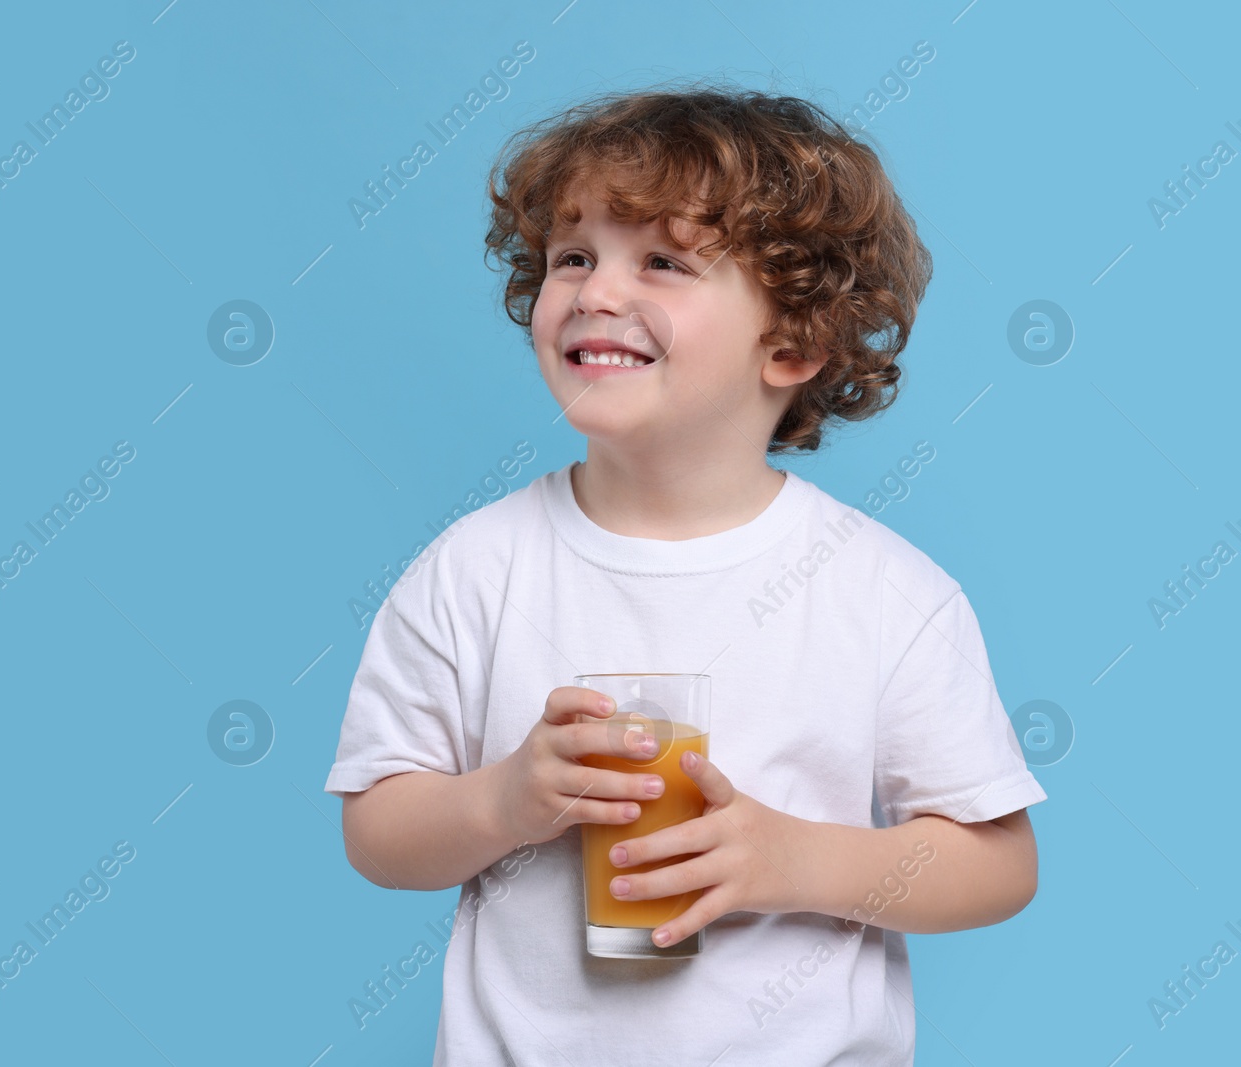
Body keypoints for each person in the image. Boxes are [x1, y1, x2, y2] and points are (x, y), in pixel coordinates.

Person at [322, 80, 1044, 1065]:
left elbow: (996, 863)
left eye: (660, 260)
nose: (594, 290)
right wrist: (502, 801)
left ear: (791, 341)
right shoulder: (473, 569)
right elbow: (378, 829)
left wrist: (791, 857)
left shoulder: (883, 593)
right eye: (571, 256)